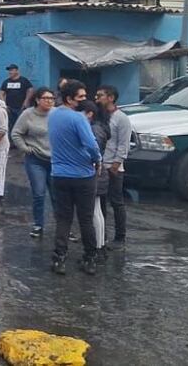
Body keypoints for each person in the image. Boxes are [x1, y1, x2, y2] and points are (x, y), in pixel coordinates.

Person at [47, 80, 101, 276]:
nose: (84, 100)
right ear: (69, 99)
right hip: (83, 175)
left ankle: (59, 258)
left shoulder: (53, 115)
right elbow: (91, 145)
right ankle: (90, 258)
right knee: (85, 219)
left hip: (59, 174)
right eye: (80, 97)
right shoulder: (79, 118)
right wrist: (97, 160)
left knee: (63, 219)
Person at [11, 88, 55, 238]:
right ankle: (38, 225)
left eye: (51, 98)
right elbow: (16, 133)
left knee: (57, 195)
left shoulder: (56, 114)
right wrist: (25, 148)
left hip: (55, 160)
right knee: (39, 193)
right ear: (37, 100)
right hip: (36, 159)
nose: (49, 101)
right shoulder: (28, 114)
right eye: (45, 98)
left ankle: (64, 226)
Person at [96, 85, 131, 250]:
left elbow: (124, 144)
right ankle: (101, 235)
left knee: (116, 202)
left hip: (113, 166)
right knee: (100, 202)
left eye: (100, 96)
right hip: (99, 165)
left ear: (110, 98)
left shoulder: (121, 118)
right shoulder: (98, 116)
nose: (97, 99)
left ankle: (120, 237)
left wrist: (115, 165)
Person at [77, 100, 109, 261]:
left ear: (89, 114)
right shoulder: (101, 127)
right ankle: (100, 246)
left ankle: (97, 247)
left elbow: (92, 149)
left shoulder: (94, 129)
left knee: (94, 212)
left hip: (94, 172)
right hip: (99, 172)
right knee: (97, 211)